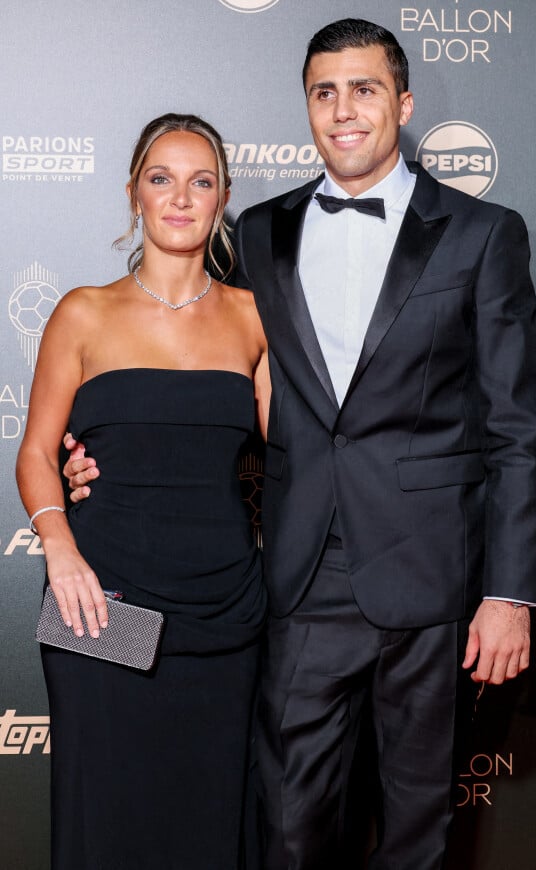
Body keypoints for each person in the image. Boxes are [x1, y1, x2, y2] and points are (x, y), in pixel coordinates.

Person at [65, 18, 536, 870]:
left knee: (417, 831)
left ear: (401, 103)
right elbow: (199, 377)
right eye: (324, 93)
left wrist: (510, 594)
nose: (343, 110)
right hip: (294, 580)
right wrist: (97, 456)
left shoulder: (483, 234)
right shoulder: (259, 234)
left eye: (364, 89)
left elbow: (518, 428)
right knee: (284, 828)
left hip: (431, 579)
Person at [16, 113, 269, 870]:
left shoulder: (256, 319)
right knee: (109, 822)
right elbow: (34, 451)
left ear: (223, 197)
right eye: (162, 179)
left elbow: (303, 455)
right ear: (134, 194)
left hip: (227, 614)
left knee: (212, 820)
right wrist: (60, 550)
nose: (180, 198)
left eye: (202, 182)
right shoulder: (82, 311)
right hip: (103, 605)